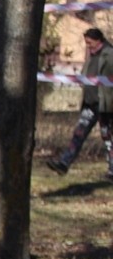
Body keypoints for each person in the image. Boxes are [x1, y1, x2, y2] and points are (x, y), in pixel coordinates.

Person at [45, 27, 113, 180]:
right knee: (79, 134)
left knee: (108, 138)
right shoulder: (92, 56)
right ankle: (64, 163)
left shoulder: (110, 55)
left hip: (106, 105)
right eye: (86, 43)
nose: (88, 46)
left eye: (90, 43)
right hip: (90, 104)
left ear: (98, 40)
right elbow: (85, 75)